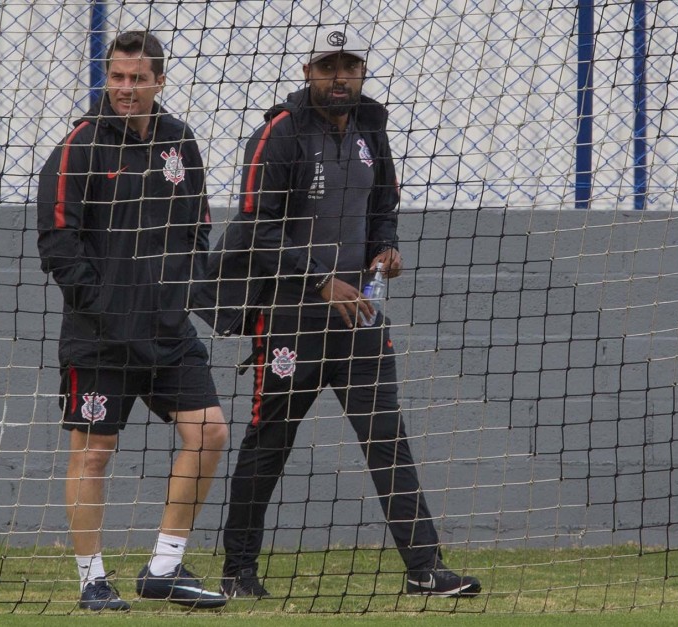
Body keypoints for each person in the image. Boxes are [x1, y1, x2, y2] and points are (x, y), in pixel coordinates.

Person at [197, 25, 483, 599]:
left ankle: (424, 567)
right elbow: (254, 228)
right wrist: (321, 281)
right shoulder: (278, 132)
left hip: (359, 319)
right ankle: (237, 572)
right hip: (289, 318)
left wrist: (385, 248)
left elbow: (384, 207)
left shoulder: (372, 126)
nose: (339, 77)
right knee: (269, 441)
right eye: (327, 67)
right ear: (307, 72)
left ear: (361, 71)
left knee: (387, 437)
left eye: (348, 66)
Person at [36, 30, 228, 611]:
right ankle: (92, 578)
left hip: (168, 332)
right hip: (99, 339)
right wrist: (105, 305)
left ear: (158, 81)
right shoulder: (79, 145)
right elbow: (58, 242)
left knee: (210, 433)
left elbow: (198, 225)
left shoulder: (179, 141)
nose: (126, 88)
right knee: (93, 452)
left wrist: (182, 291)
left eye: (137, 79)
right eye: (117, 78)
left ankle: (163, 568)